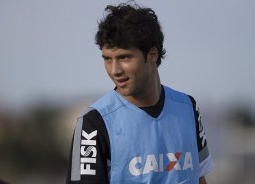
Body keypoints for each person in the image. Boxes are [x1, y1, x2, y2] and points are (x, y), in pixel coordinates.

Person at [66, 3, 213, 184]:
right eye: (107, 59)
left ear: (152, 55)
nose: (114, 70)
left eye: (124, 57)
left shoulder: (188, 107)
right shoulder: (93, 123)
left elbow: (199, 177)